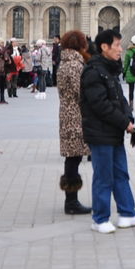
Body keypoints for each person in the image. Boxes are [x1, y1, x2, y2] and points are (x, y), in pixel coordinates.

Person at [81, 28, 135, 234]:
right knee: (103, 177)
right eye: (118, 45)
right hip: (100, 133)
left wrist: (128, 117)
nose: (121, 49)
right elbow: (100, 106)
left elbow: (120, 99)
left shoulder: (110, 69)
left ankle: (127, 214)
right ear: (104, 47)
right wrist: (124, 123)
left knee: (121, 174)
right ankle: (99, 219)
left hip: (113, 131)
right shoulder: (93, 72)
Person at [56, 30, 93, 215]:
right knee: (74, 157)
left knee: (73, 157)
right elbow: (82, 92)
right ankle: (71, 202)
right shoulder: (75, 66)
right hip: (75, 115)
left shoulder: (65, 62)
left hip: (67, 114)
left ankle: (71, 199)